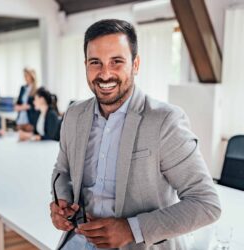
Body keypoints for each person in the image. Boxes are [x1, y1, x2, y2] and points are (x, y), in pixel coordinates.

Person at [50, 19, 221, 250]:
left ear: (136, 64)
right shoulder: (74, 115)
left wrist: (132, 228)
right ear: (86, 66)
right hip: (79, 239)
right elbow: (62, 171)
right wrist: (61, 201)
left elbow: (206, 203)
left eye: (117, 61)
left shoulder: (164, 121)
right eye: (95, 63)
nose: (105, 73)